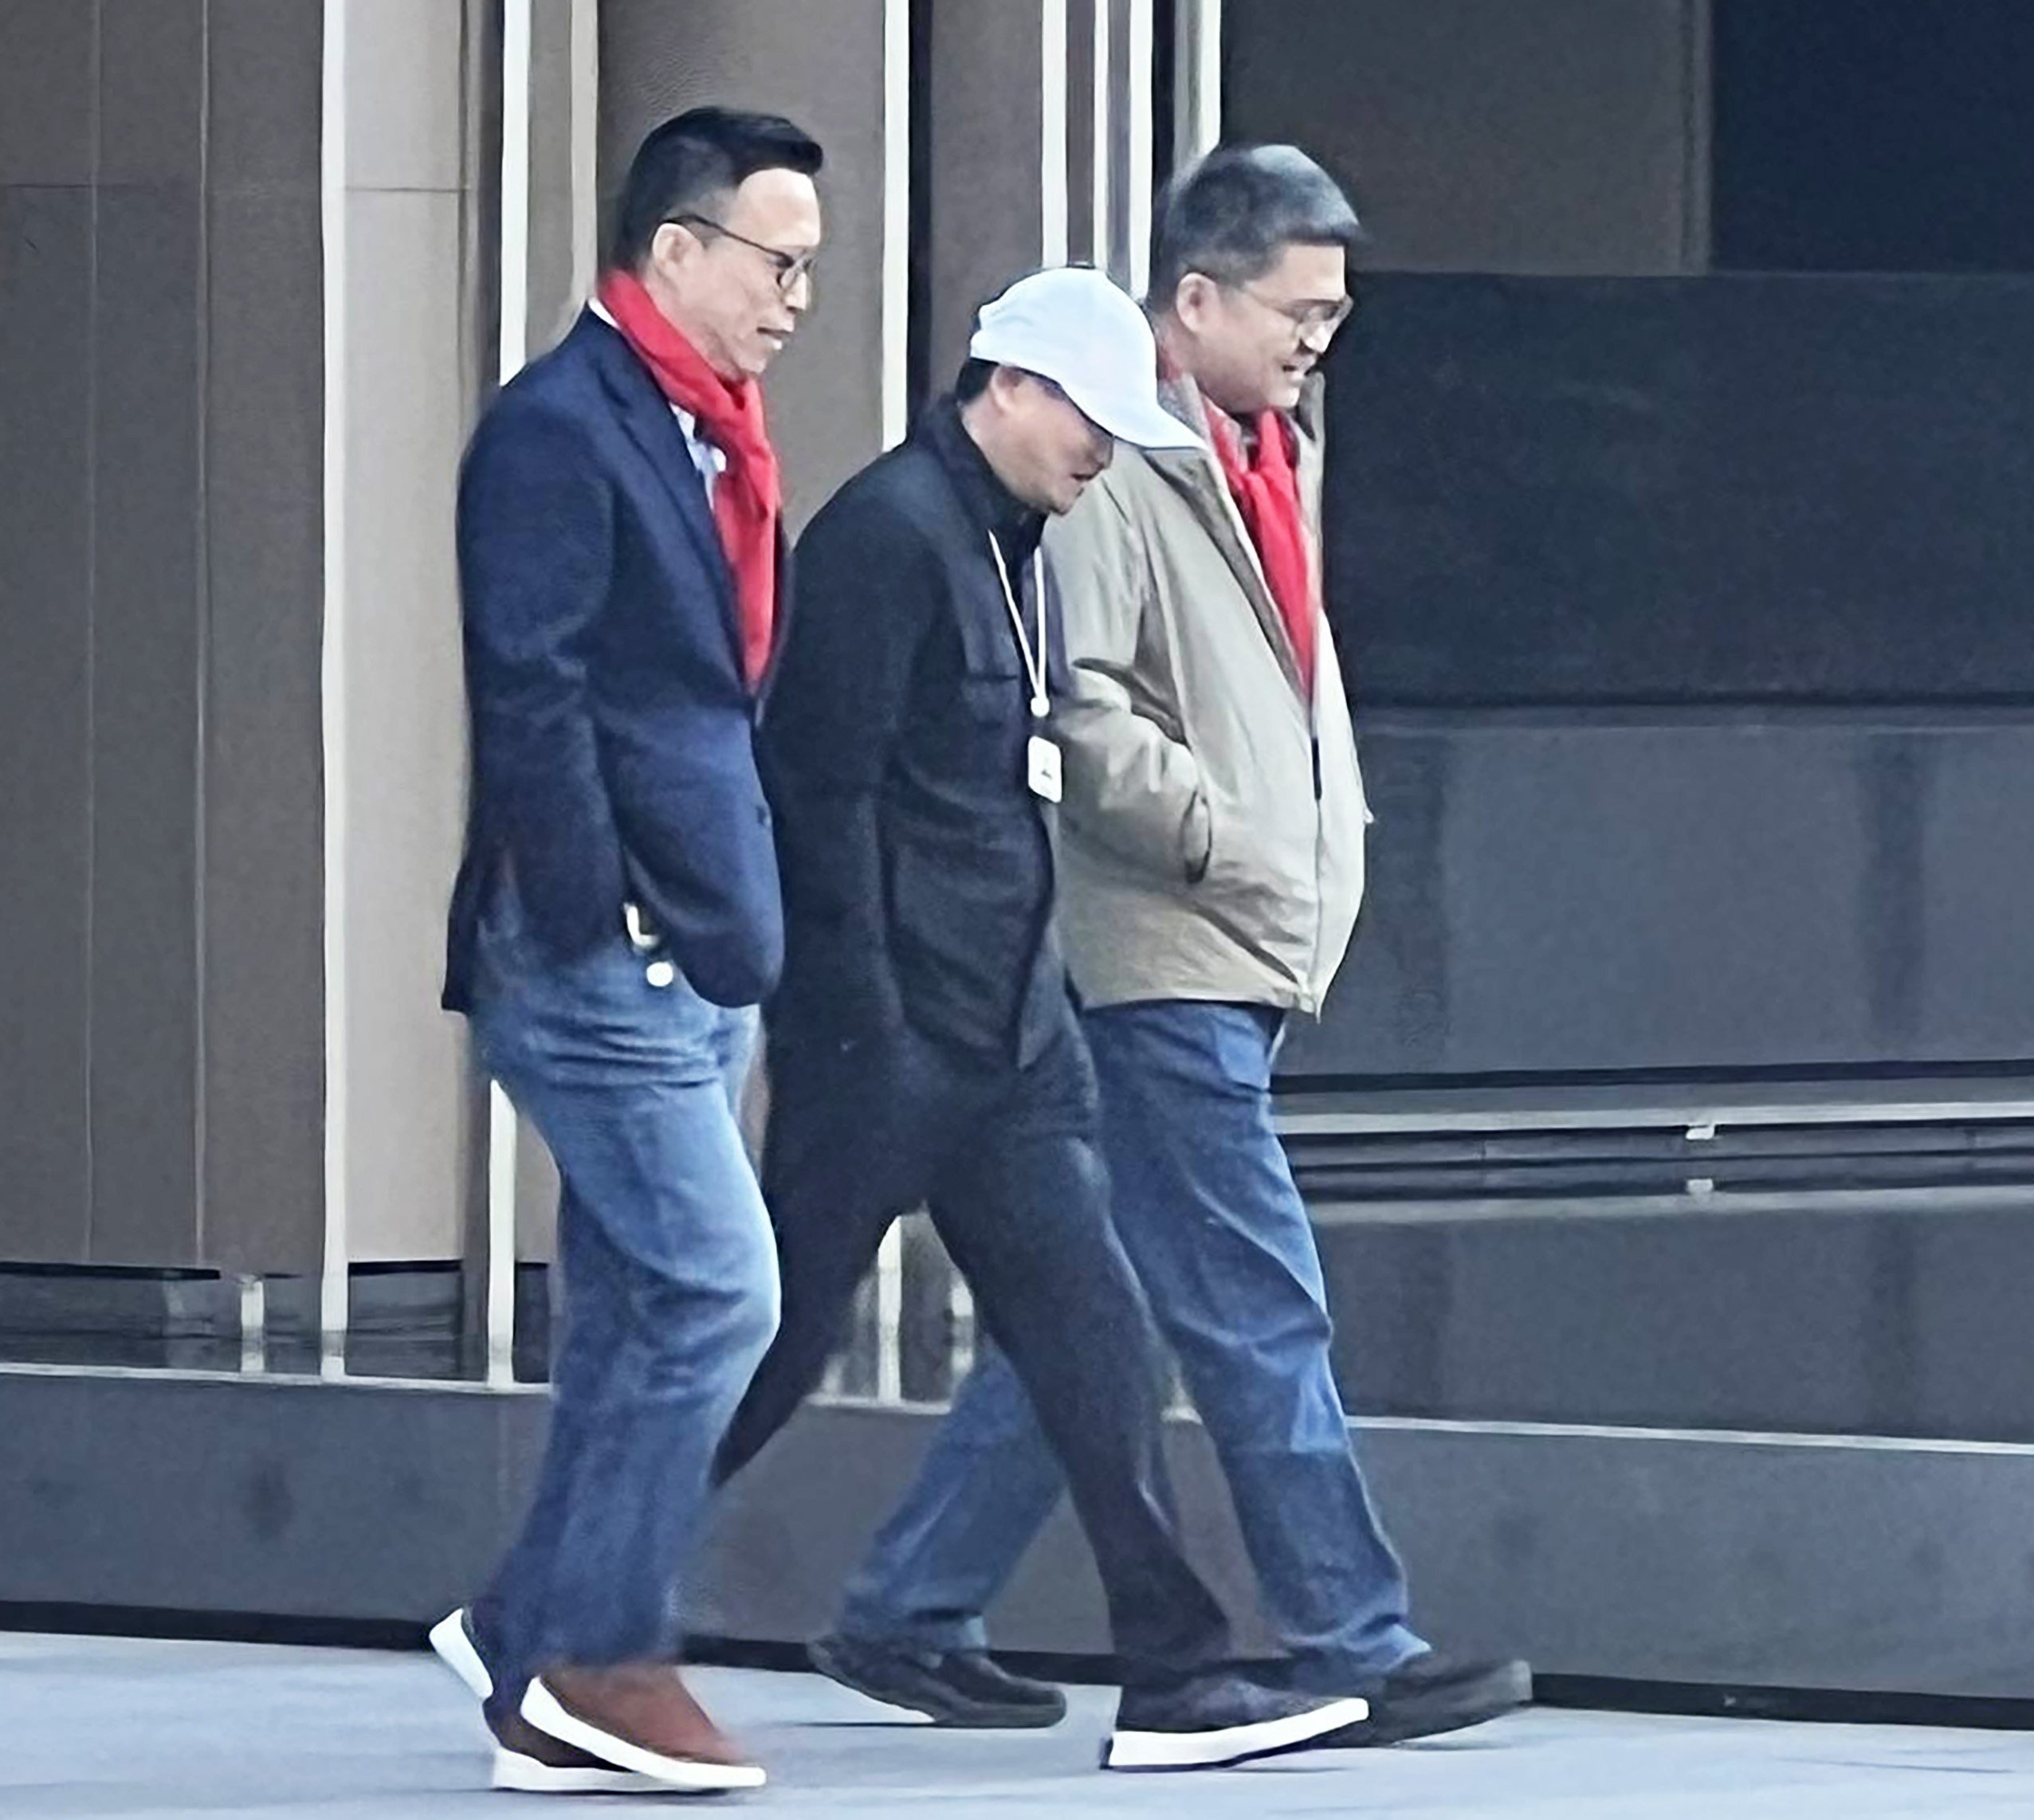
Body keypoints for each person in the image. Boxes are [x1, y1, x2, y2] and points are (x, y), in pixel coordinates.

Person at [815, 146, 1531, 1747]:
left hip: (1237, 943)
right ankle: (1354, 1629)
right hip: (1157, 957)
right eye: (1297, 311)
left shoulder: (1273, 448)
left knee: (1103, 1316)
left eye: (1335, 318)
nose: (1316, 342)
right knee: (1256, 1296)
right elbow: (1086, 711)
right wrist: (1233, 839)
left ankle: (906, 1603)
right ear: (1192, 298)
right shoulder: (1117, 463)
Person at [709, 266, 1368, 1773]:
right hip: (892, 1038)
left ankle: (1180, 1675)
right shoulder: (890, 537)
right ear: (1007, 387)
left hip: (1005, 1035)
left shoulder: (1011, 538)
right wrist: (862, 1023)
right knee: (775, 1339)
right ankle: (550, 1603)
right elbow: (822, 798)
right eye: (1086, 420)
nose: (1102, 455)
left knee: (1096, 1338)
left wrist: (1016, 1014)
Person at [422, 105, 825, 1797]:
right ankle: (595, 1654)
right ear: (675, 250)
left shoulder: (702, 427)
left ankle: (535, 1625)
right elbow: (536, 692)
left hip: (690, 952)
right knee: (722, 1289)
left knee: (636, 1310)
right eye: (777, 261)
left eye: (812, 266)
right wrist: (617, 918)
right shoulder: (560, 432)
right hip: (598, 954)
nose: (798, 296)